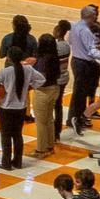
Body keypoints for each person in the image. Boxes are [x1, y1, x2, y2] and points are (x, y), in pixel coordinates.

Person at [0, 51, 42, 169]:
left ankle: (6, 163)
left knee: (6, 136)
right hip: (21, 108)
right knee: (17, 135)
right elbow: (41, 80)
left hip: (5, 109)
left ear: (9, 58)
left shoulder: (5, 72)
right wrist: (30, 87)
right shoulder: (28, 69)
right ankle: (18, 162)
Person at [66, 5, 100, 134]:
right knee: (80, 94)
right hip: (84, 63)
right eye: (95, 15)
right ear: (90, 16)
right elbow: (93, 51)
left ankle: (75, 118)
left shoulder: (75, 26)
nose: (96, 17)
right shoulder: (86, 30)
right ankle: (76, 119)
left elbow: (70, 41)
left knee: (80, 93)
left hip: (77, 61)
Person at [31, 30, 65, 158]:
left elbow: (41, 77)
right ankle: (50, 146)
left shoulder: (43, 59)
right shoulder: (54, 57)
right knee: (49, 118)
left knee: (40, 121)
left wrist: (32, 82)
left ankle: (41, 149)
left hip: (43, 91)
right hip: (54, 88)